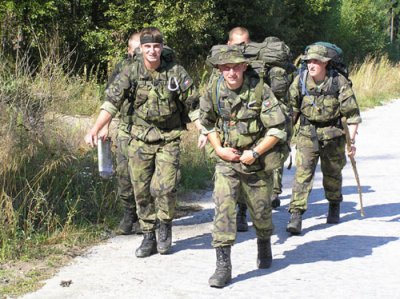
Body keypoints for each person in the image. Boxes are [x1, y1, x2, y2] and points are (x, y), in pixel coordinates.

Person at [85, 27, 201, 257]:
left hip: (168, 138)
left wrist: (203, 130)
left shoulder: (176, 72)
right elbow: (111, 102)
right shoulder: (130, 71)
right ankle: (149, 234)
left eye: (156, 46)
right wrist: (96, 127)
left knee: (165, 187)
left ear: (162, 48)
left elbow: (194, 104)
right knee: (141, 189)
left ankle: (165, 227)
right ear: (141, 49)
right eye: (147, 46)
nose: (152, 51)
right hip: (139, 138)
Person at [200, 46, 289, 288]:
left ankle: (264, 242)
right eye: (226, 68)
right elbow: (206, 123)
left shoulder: (260, 90)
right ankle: (223, 266)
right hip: (227, 160)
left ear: (244, 67)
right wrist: (218, 149)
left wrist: (255, 152)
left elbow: (277, 129)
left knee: (260, 213)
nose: (231, 72)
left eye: (235, 67)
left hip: (256, 161)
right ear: (219, 69)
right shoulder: (214, 89)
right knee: (223, 209)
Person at [286, 43, 361, 235]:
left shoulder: (339, 82)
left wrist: (350, 143)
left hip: (333, 136)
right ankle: (296, 214)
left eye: (316, 62)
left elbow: (352, 116)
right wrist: (285, 138)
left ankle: (334, 203)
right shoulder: (300, 81)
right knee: (302, 175)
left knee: (332, 174)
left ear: (325, 63)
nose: (311, 65)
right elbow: (292, 111)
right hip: (306, 134)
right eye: (309, 61)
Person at [85, 32, 141, 235]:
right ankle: (129, 215)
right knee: (124, 175)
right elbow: (111, 100)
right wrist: (105, 126)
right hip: (126, 128)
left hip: (149, 132)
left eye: (141, 48)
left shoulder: (157, 68)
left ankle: (147, 219)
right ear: (129, 50)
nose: (139, 53)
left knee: (146, 178)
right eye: (135, 49)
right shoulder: (122, 69)